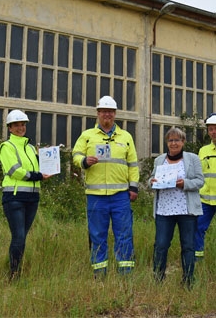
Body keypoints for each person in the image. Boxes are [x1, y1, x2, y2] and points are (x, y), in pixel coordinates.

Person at [72, 96, 139, 277]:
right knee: (97, 235)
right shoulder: (87, 136)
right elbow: (75, 155)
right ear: (98, 113)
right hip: (95, 195)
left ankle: (125, 273)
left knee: (124, 235)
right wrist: (84, 161)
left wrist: (133, 188)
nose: (107, 115)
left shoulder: (126, 137)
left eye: (110, 112)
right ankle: (99, 273)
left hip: (120, 196)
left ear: (115, 114)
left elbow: (133, 164)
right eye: (103, 111)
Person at [0, 109, 51, 280]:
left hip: (32, 199)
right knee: (19, 236)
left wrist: (48, 156)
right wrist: (37, 176)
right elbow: (15, 171)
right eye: (16, 125)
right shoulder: (7, 147)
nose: (20, 127)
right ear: (10, 128)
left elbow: (40, 166)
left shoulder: (29, 147)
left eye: (23, 124)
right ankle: (13, 273)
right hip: (14, 198)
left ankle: (16, 269)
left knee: (22, 237)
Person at [149, 127, 204, 289]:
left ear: (183, 142)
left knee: (188, 246)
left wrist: (184, 184)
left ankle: (188, 281)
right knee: (161, 245)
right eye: (170, 140)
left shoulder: (192, 159)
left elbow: (200, 181)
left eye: (177, 140)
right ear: (167, 142)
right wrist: (152, 182)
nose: (174, 143)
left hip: (186, 211)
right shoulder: (159, 160)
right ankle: (158, 279)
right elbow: (152, 178)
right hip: (164, 210)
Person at [195, 113, 216, 260]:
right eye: (211, 129)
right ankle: (197, 259)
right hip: (205, 201)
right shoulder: (203, 151)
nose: (213, 132)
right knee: (198, 229)